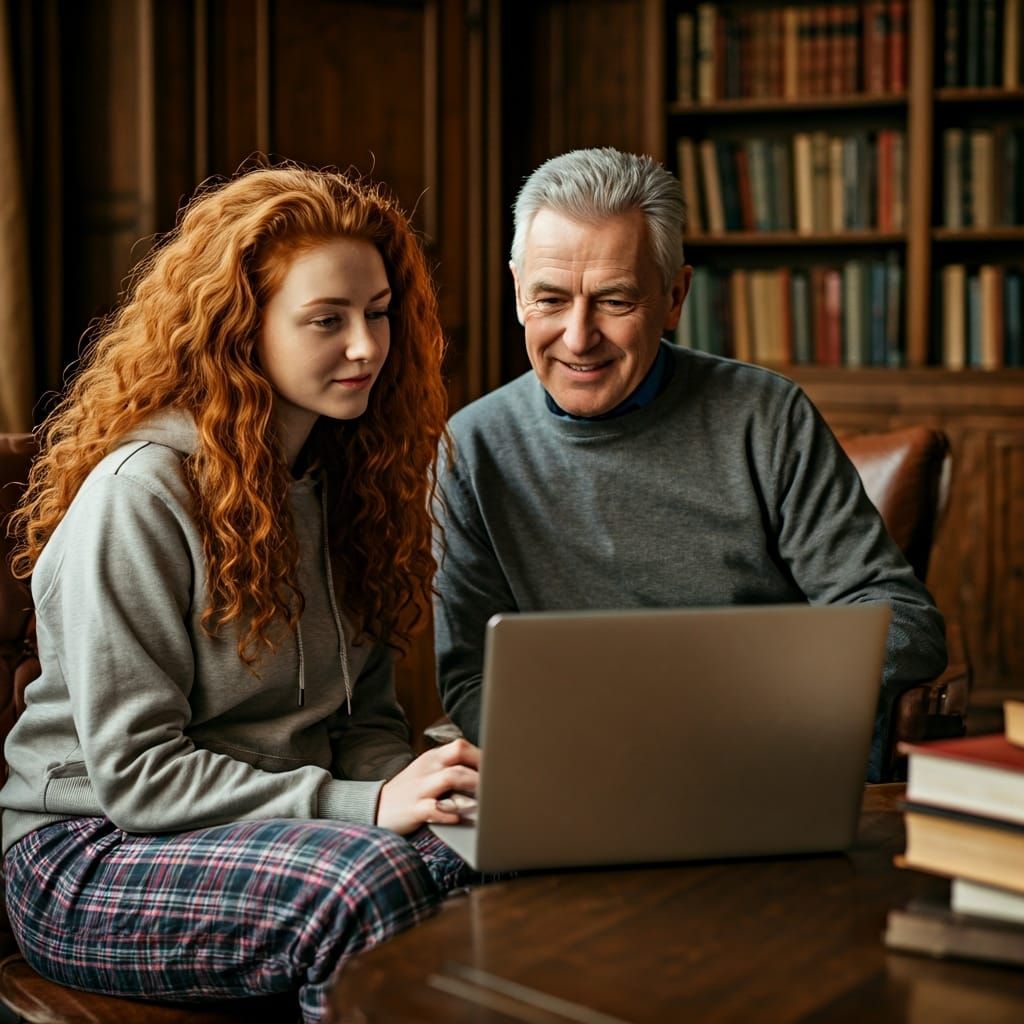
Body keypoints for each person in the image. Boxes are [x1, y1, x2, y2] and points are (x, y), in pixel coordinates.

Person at [0, 165, 481, 1022]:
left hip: (283, 834)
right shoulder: (142, 493)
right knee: (364, 887)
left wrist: (422, 793)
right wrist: (367, 807)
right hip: (89, 857)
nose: (367, 346)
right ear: (240, 330)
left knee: (480, 857)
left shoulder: (349, 485)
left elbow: (364, 724)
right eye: (326, 321)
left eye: (378, 313)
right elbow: (140, 779)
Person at [433, 146, 947, 783]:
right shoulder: (470, 449)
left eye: (615, 301)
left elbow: (904, 620)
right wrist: (591, 756)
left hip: (768, 764)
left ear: (674, 296)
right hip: (581, 776)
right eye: (551, 299)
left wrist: (746, 712)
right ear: (517, 292)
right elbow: (471, 674)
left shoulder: (766, 417)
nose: (577, 336)